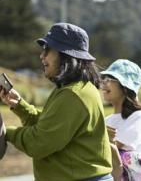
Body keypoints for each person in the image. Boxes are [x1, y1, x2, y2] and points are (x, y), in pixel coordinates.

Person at [0, 23, 112, 180]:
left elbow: (39, 142)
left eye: (47, 50)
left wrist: (6, 133)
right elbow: (50, 126)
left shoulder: (73, 95)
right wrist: (20, 106)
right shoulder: (77, 89)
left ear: (66, 55)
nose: (42, 56)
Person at [101, 59, 141, 180]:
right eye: (103, 79)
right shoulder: (106, 120)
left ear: (125, 86)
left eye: (109, 79)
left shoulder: (138, 116)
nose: (104, 83)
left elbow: (116, 146)